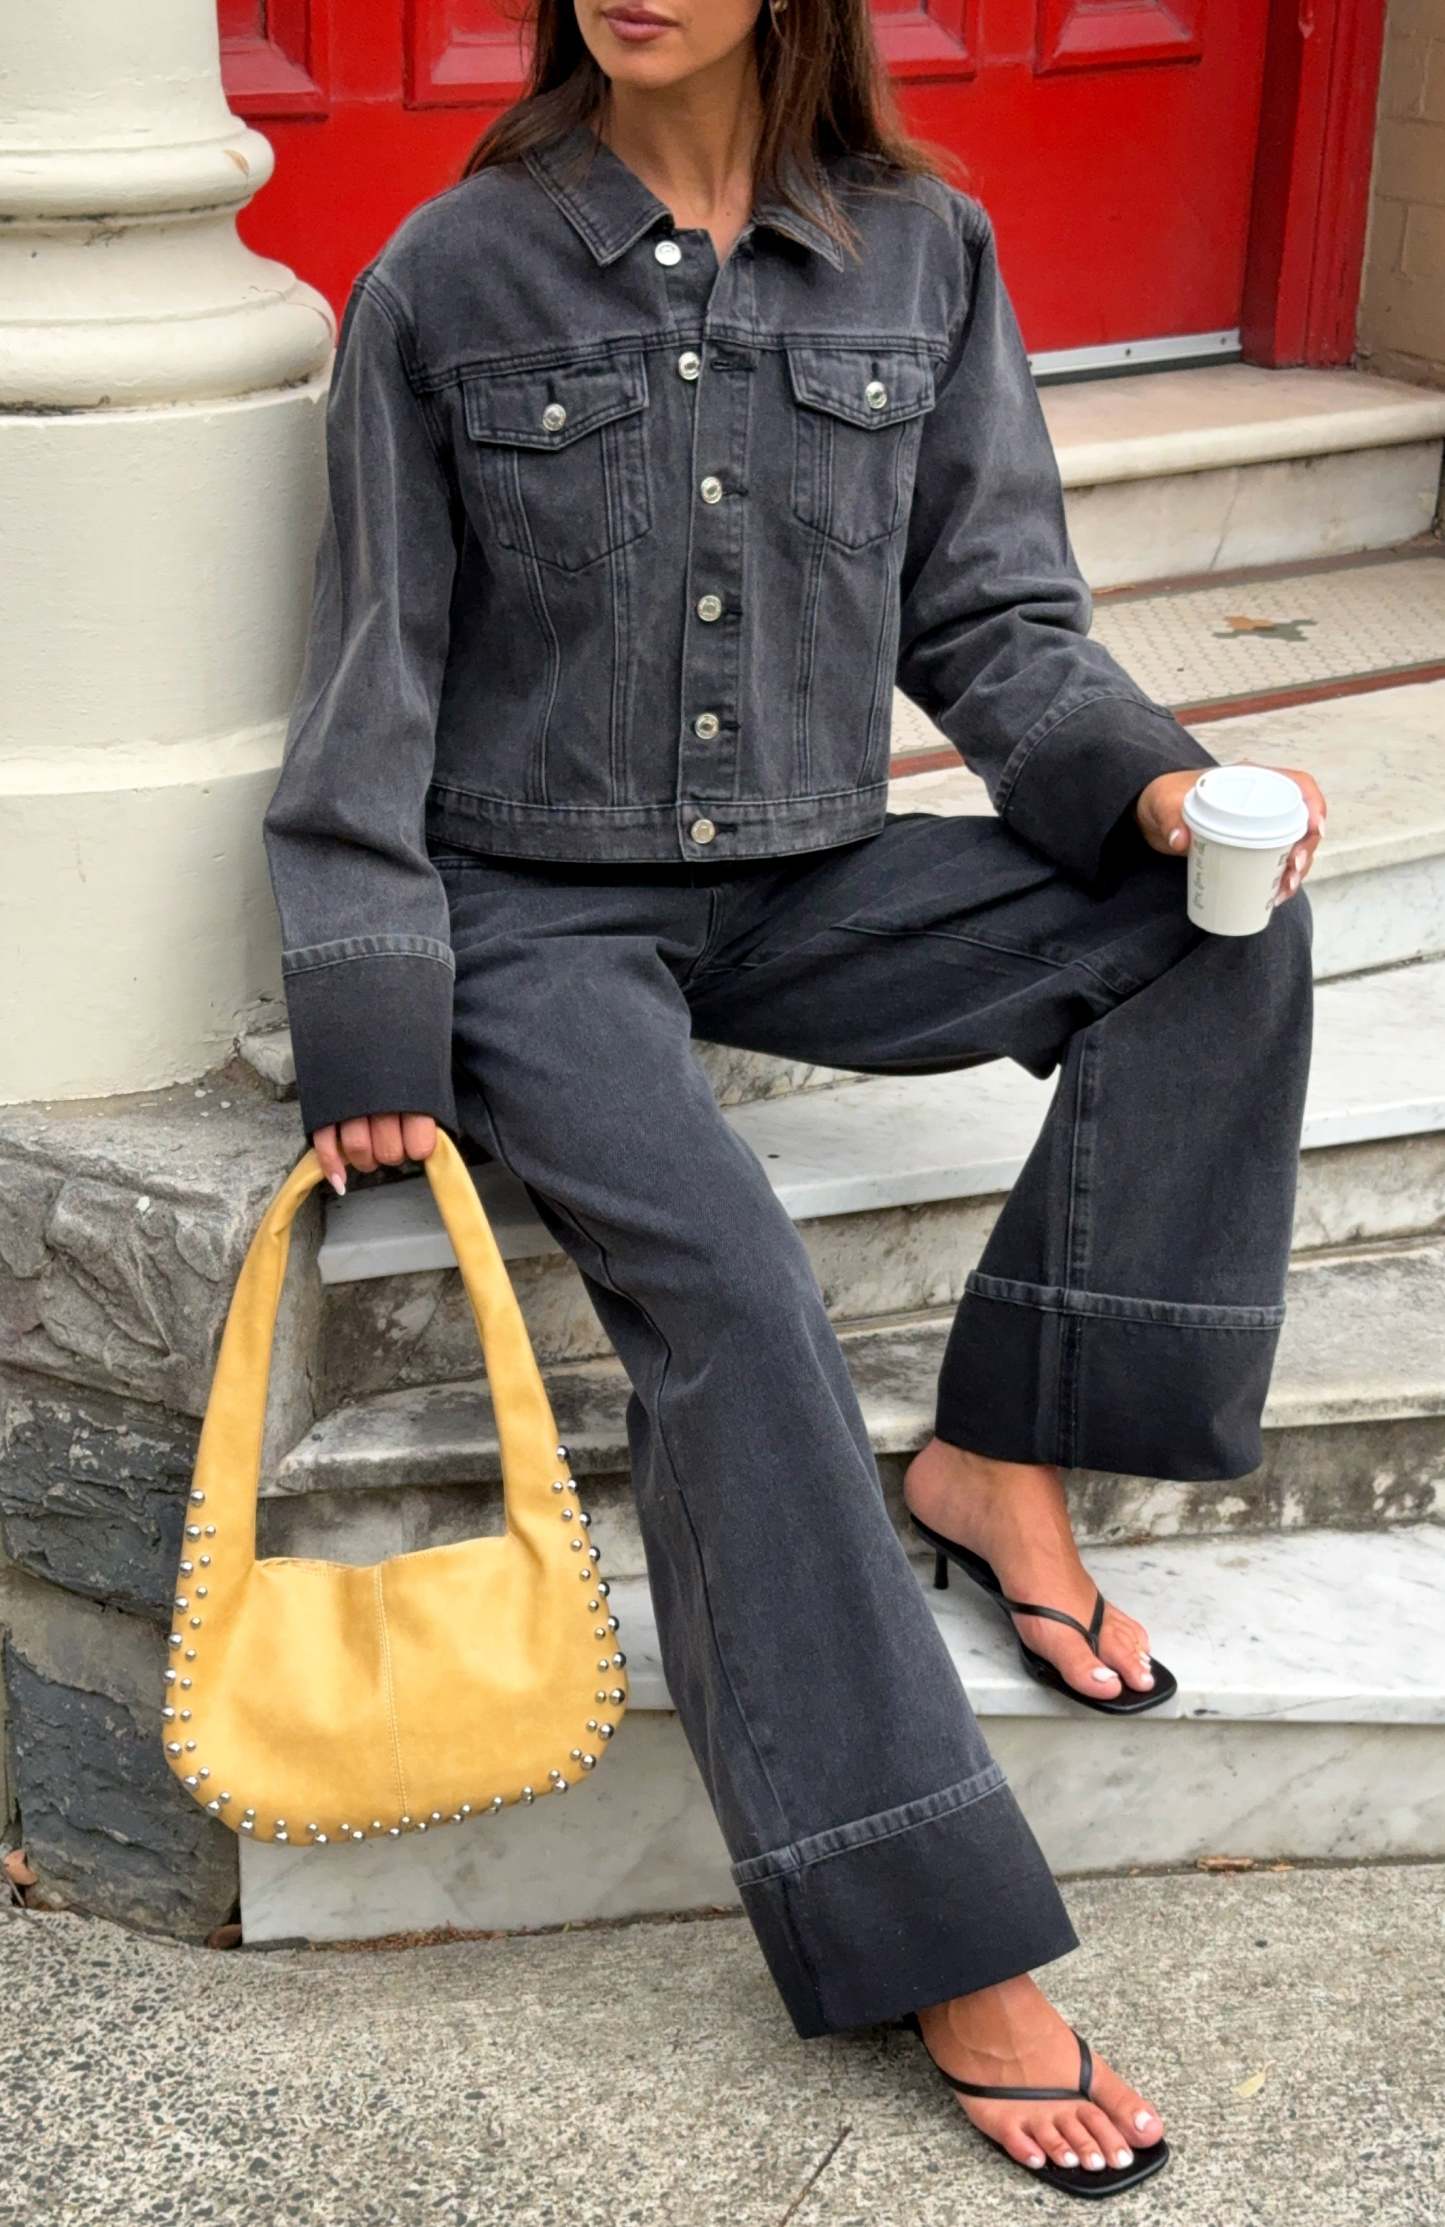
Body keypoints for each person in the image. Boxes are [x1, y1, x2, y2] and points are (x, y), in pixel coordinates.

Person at [261, 0, 1323, 2197]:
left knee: (1218, 920)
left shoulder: (924, 250)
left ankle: (1001, 1458)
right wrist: (372, 999)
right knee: (740, 1297)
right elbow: (376, 666)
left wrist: (1157, 785)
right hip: (537, 916)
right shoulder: (450, 274)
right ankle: (937, 1929)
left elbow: (998, 615)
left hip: (811, 874)